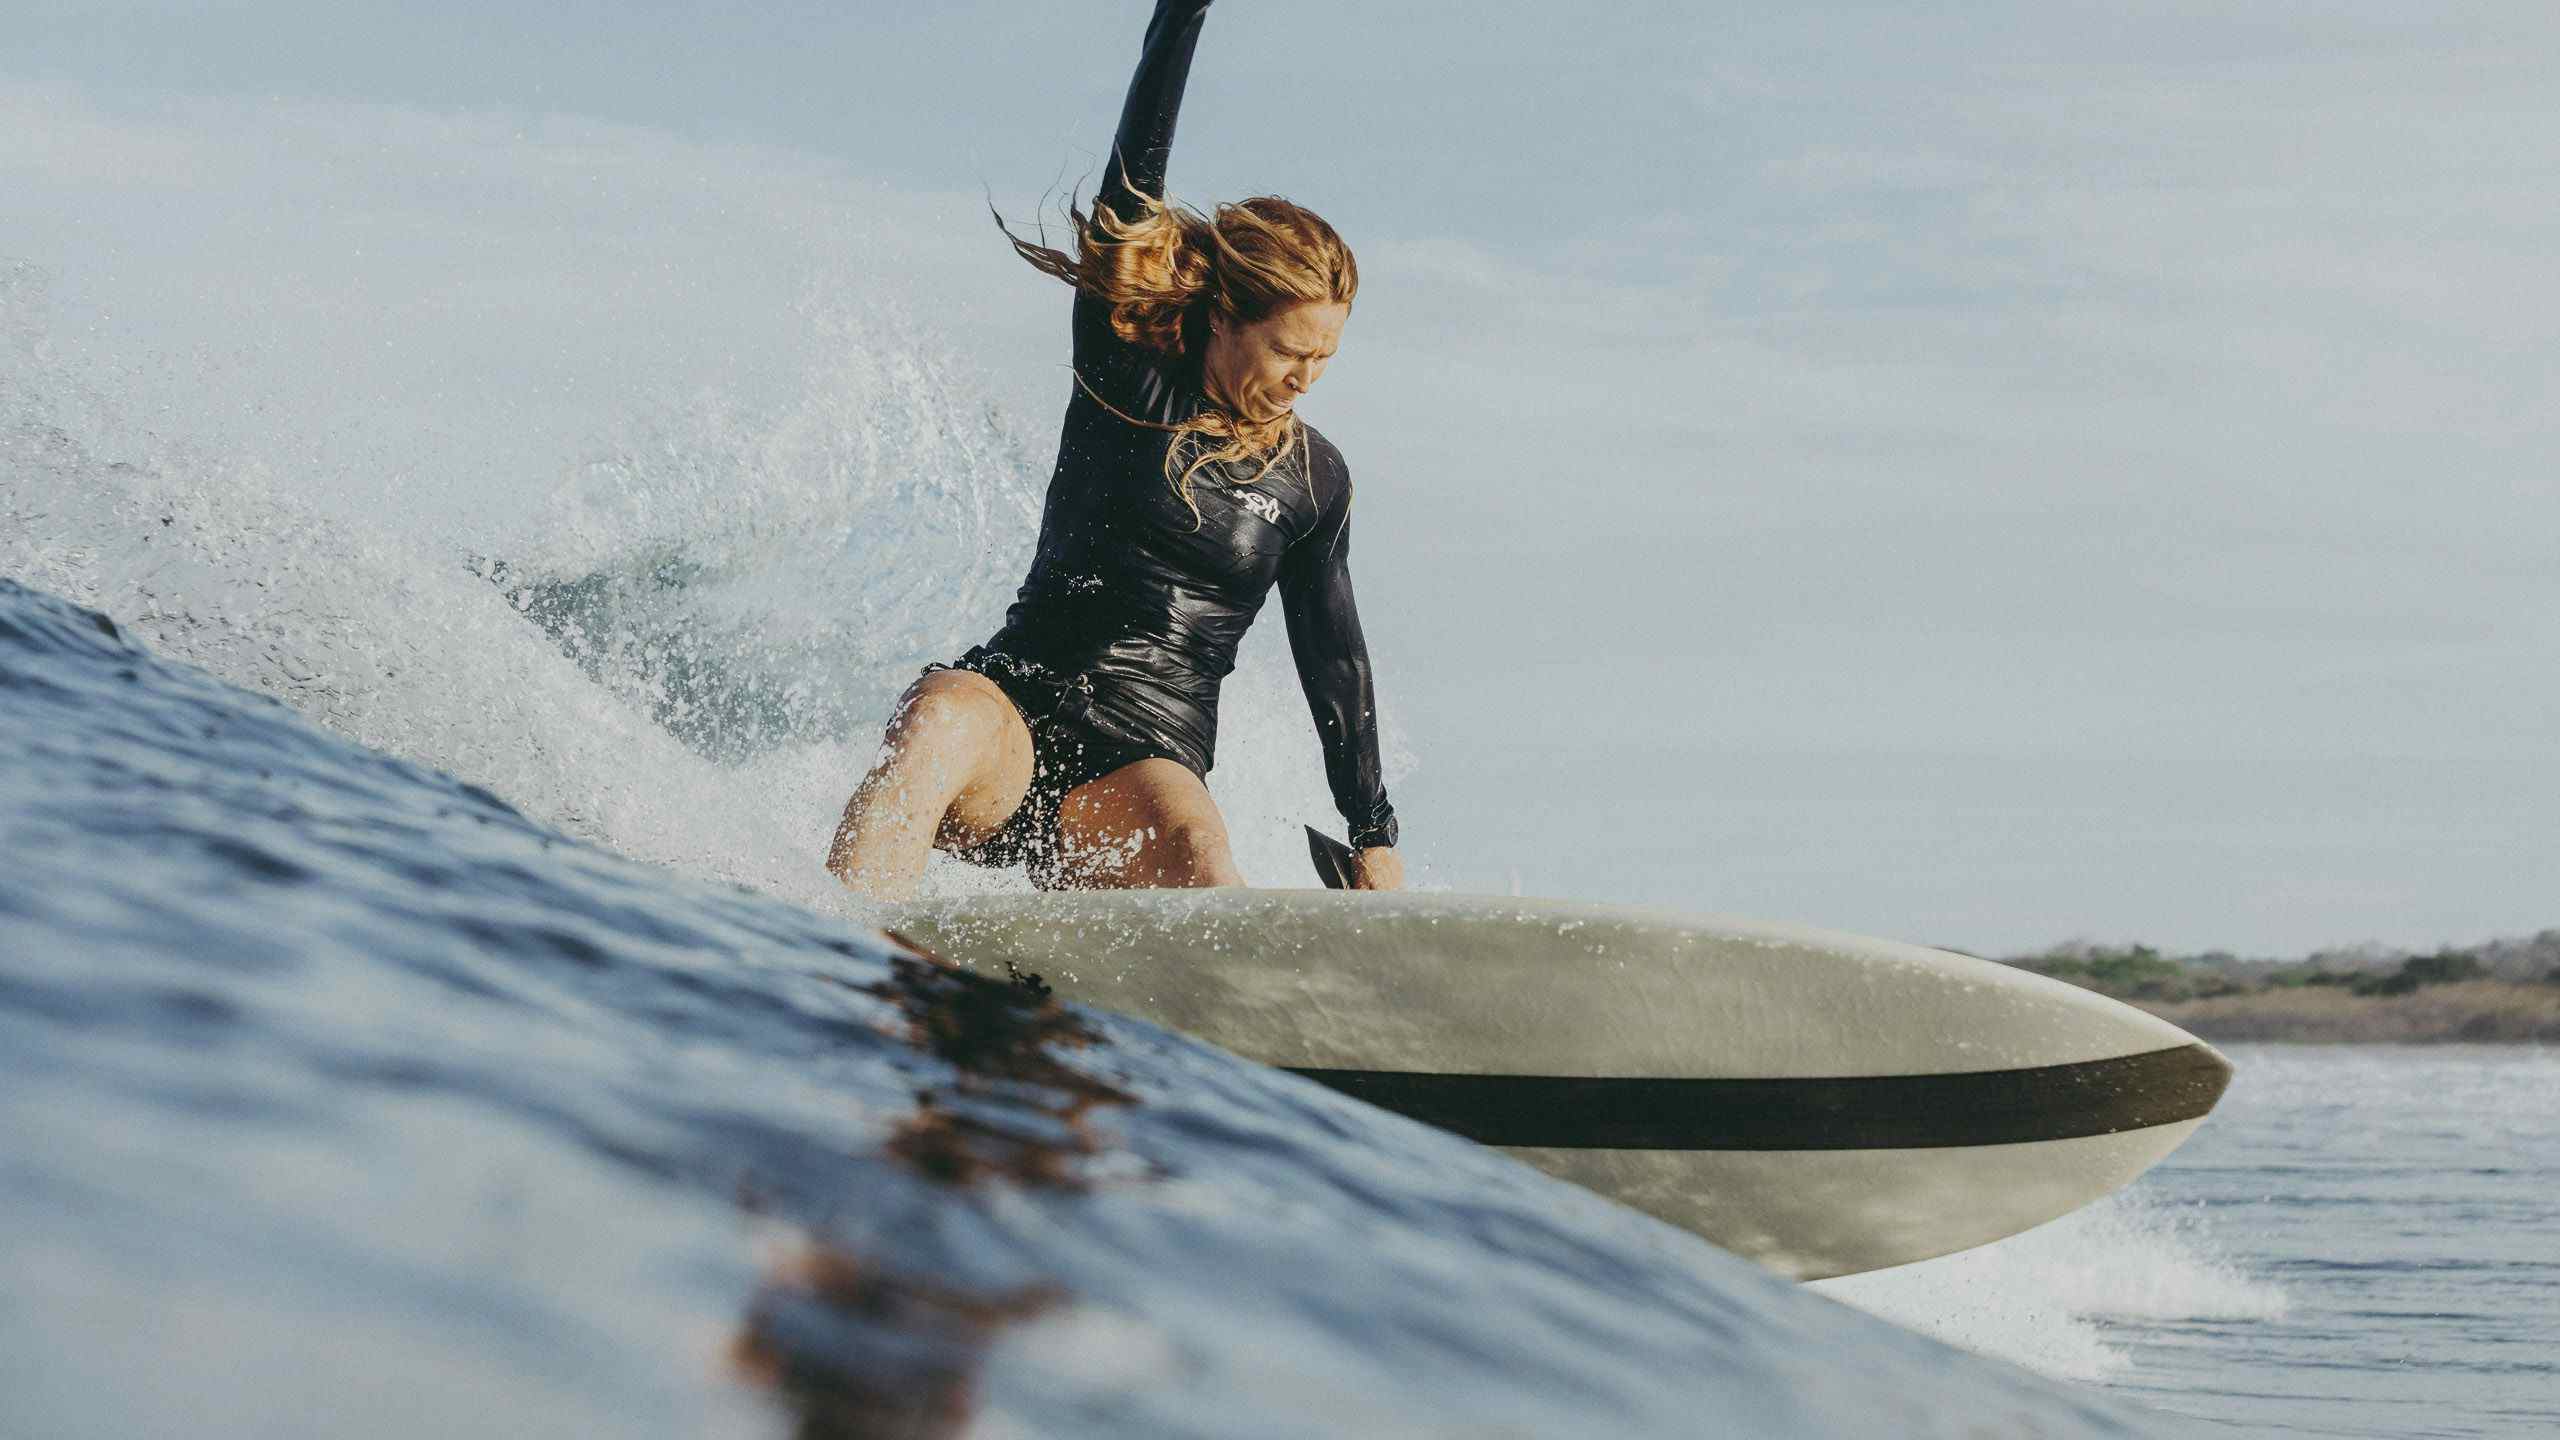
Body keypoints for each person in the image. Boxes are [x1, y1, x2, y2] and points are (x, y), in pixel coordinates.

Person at [825, 0, 1403, 899]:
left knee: (1206, 867)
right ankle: (834, 960)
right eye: (1290, 351)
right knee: (934, 719)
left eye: (1325, 357)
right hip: (1015, 710)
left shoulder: (1313, 480)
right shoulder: (1126, 366)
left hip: (1141, 763)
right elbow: (1133, 180)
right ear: (1224, 319)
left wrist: (1374, 834)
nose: (1306, 378)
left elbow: (1334, 656)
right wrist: (1184, 13)